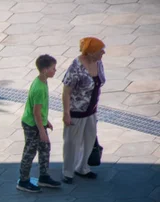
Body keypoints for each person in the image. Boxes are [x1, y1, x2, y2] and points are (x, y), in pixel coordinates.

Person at [62, 37, 106, 184]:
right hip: (77, 111)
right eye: (100, 51)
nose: (103, 53)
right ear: (91, 52)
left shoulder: (98, 62)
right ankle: (68, 172)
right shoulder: (76, 66)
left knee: (89, 140)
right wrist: (66, 113)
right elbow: (66, 92)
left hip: (91, 110)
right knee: (71, 142)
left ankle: (82, 167)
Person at [17, 55, 62, 193]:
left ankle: (44, 176)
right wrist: (42, 131)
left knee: (45, 148)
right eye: (53, 68)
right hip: (32, 125)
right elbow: (36, 112)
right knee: (30, 152)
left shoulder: (43, 82)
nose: (55, 70)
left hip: (38, 123)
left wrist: (45, 121)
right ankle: (23, 181)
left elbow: (39, 111)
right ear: (44, 70)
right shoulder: (39, 88)